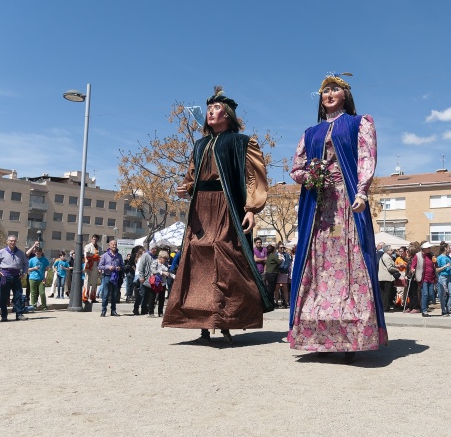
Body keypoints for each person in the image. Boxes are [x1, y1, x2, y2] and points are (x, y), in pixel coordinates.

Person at [287, 73, 387, 362]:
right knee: (315, 261)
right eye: (325, 91)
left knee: (350, 258)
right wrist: (311, 175)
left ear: (345, 95)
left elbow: (366, 157)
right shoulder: (310, 132)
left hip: (346, 198)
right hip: (318, 204)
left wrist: (362, 191)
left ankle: (352, 334)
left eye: (335, 89)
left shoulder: (359, 123)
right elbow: (296, 167)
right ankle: (318, 332)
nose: (329, 94)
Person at [162, 87, 272, 344]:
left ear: (228, 114)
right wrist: (186, 188)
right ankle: (200, 320)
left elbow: (254, 177)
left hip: (225, 205)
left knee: (224, 257)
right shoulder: (199, 145)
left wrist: (251, 209)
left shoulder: (242, 142)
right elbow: (192, 177)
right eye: (209, 109)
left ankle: (226, 318)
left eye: (216, 108)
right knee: (197, 258)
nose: (211, 112)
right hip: (201, 207)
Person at [0, 235, 29, 321]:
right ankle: (4, 315)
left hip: (16, 276)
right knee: (4, 297)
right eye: (11, 241)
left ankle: (19, 314)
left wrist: (24, 273)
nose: (13, 242)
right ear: (7, 242)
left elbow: (26, 263)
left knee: (18, 296)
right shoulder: (2, 252)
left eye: (14, 241)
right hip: (5, 276)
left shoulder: (20, 253)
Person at [98, 239, 124, 317]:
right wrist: (108, 267)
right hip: (107, 276)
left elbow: (122, 265)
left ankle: (113, 310)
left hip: (116, 277)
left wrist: (120, 268)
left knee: (114, 294)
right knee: (105, 294)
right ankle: (103, 310)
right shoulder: (105, 255)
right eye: (112, 244)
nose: (114, 245)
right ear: (109, 246)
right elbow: (100, 266)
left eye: (115, 244)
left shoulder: (119, 256)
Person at [378, 246, 400, 312]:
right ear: (387, 251)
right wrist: (397, 270)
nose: (392, 251)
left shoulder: (383, 256)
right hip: (387, 277)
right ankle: (386, 307)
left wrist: (396, 266)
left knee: (383, 293)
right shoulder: (387, 257)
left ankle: (383, 307)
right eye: (391, 250)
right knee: (387, 293)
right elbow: (389, 267)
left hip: (382, 277)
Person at [436, 242, 451, 316]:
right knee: (443, 294)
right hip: (442, 277)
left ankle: (449, 308)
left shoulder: (449, 257)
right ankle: (443, 310)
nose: (450, 249)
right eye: (449, 247)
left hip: (450, 277)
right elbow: (436, 270)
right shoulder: (439, 258)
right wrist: (445, 266)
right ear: (445, 248)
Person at [83, 235, 101, 303]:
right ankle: (85, 298)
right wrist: (95, 256)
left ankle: (93, 297)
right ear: (91, 239)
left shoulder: (99, 248)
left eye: (96, 239)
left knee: (94, 282)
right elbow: (86, 255)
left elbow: (101, 257)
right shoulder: (88, 246)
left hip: (96, 266)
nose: (95, 240)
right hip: (89, 266)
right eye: (94, 239)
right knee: (87, 282)